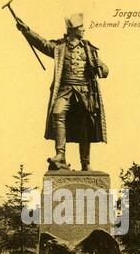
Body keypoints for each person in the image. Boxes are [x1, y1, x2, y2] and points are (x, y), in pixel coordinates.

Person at [16, 13, 109, 171]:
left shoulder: (89, 49)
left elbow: (105, 71)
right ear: (73, 30)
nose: (83, 30)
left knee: (84, 124)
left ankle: (85, 163)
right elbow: (43, 44)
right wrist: (27, 31)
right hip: (64, 89)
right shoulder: (60, 47)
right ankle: (60, 156)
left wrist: (102, 68)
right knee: (57, 113)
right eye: (80, 28)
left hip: (85, 92)